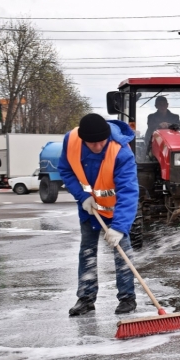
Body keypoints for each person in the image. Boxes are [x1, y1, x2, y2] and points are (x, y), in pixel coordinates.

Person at [59, 113, 139, 316]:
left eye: (100, 142)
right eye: (91, 143)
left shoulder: (121, 152)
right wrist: (82, 196)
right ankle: (85, 299)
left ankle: (127, 299)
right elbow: (66, 171)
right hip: (89, 208)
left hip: (115, 210)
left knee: (122, 251)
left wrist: (119, 227)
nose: (96, 147)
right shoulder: (71, 141)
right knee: (87, 251)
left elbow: (128, 192)